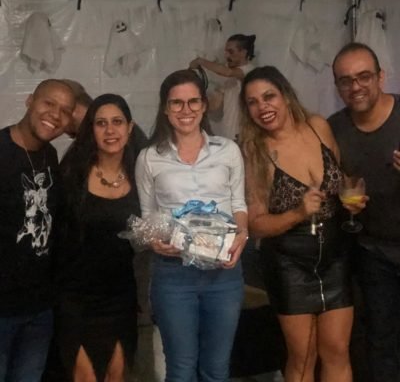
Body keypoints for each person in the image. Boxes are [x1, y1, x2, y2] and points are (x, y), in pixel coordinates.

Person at [240, 66, 354, 382]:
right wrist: (298, 213)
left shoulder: (318, 126)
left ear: (286, 95)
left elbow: (342, 179)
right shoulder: (255, 152)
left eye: (269, 96)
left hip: (335, 255)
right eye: (252, 102)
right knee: (304, 357)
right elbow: (256, 225)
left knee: (337, 351)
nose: (263, 107)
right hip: (289, 263)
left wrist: (352, 198)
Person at [135, 69, 248, 382]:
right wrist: (154, 241)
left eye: (193, 101)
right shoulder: (149, 157)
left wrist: (242, 235)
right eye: (176, 103)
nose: (186, 110)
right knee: (181, 370)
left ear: (204, 105)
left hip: (223, 273)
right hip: (174, 275)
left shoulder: (228, 150)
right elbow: (148, 216)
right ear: (165, 108)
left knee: (216, 370)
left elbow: (239, 205)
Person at [54, 94, 141, 382]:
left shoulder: (142, 175)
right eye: (101, 123)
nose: (110, 130)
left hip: (121, 298)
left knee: (115, 375)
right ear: (90, 129)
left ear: (130, 128)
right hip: (75, 299)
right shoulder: (71, 174)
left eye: (117, 122)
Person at [328, 42, 400, 382]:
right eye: (345, 80)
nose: (355, 86)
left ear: (381, 77)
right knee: (380, 340)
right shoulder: (334, 128)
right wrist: (340, 201)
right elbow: (330, 181)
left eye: (364, 76)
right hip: (372, 252)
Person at [0, 79, 75, 382]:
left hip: (39, 309)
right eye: (49, 103)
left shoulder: (50, 156)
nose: (56, 114)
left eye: (65, 111)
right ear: (30, 100)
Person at [189, 34, 256, 141]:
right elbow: (215, 106)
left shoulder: (249, 71)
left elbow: (227, 72)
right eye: (226, 51)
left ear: (243, 52)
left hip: (243, 136)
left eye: (231, 52)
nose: (226, 55)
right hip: (229, 135)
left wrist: (200, 61)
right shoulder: (230, 79)